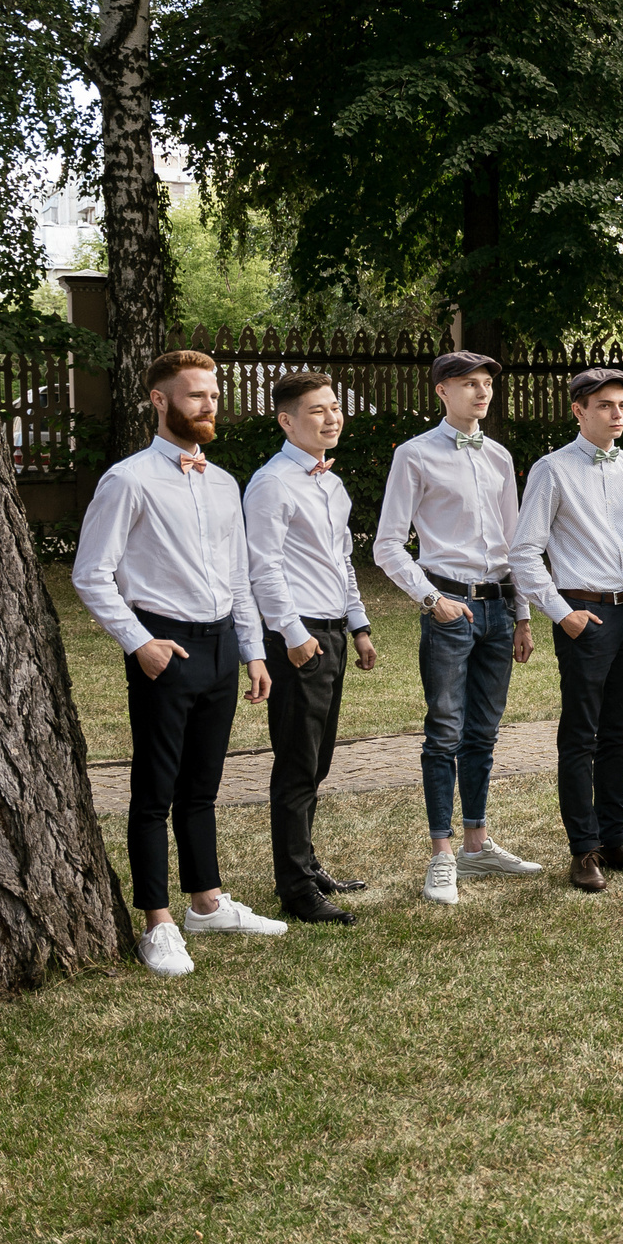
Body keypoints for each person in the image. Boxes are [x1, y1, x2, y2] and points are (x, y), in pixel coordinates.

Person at [71, 350, 287, 976]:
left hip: (222, 645)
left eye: (213, 395)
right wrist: (141, 643)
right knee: (154, 791)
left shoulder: (222, 482)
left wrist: (251, 651)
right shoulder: (128, 480)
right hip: (164, 645)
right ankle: (157, 922)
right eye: (195, 396)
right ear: (161, 402)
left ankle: (207, 902)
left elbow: (240, 576)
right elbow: (91, 574)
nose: (208, 405)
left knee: (203, 786)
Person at [373, 350, 544, 906]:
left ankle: (477, 843)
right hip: (450, 607)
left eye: (487, 383)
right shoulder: (414, 455)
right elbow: (387, 544)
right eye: (469, 384)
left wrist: (521, 615)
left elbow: (518, 546)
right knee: (444, 731)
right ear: (442, 392)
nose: (481, 392)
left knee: (483, 734)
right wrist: (431, 599)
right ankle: (441, 854)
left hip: (498, 609)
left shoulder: (497, 456)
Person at [510, 366, 623, 892]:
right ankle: (584, 851)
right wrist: (564, 614)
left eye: (622, 405)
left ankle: (617, 839)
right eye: (604, 405)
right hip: (585, 615)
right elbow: (524, 553)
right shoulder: (552, 470)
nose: (617, 414)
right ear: (579, 411)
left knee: (619, 734)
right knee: (580, 736)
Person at [242, 371, 379, 925]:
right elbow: (263, 566)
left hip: (333, 631)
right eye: (317, 410)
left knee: (318, 759)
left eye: (335, 407)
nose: (331, 417)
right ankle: (296, 889)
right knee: (298, 762)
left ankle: (307, 861)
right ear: (286, 420)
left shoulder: (331, 484)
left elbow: (341, 561)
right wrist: (293, 636)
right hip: (297, 637)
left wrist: (359, 624)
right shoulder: (272, 483)